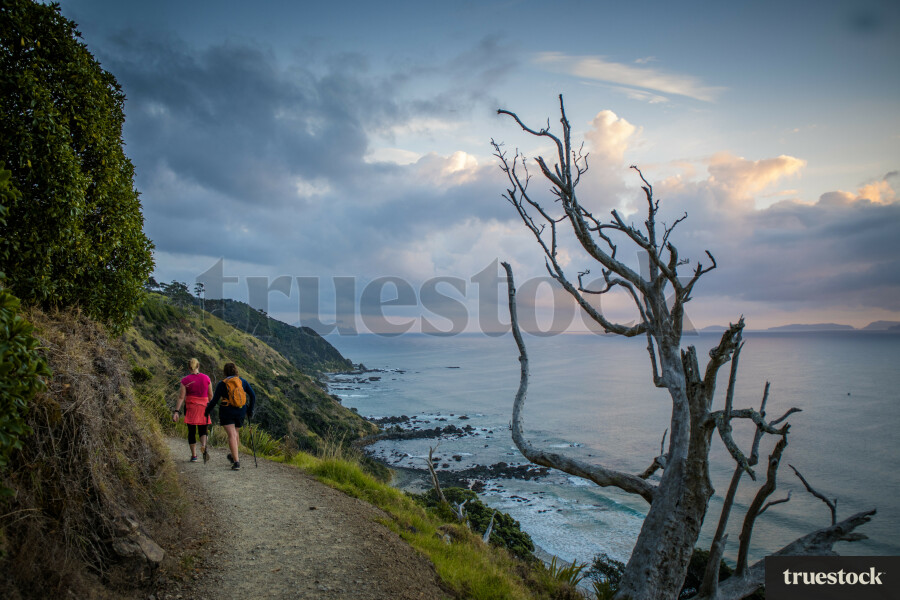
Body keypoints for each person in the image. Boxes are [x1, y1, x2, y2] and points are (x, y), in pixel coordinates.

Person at [205, 362, 256, 470]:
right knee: (235, 433)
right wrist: (250, 410)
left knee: (231, 435)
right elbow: (253, 395)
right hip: (241, 410)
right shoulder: (242, 381)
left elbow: (214, 400)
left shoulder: (222, 383)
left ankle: (236, 462)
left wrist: (207, 411)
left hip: (227, 410)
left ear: (225, 372)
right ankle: (233, 456)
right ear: (236, 370)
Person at [172, 358, 213, 463]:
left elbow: (181, 397)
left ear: (188, 367)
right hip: (204, 406)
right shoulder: (206, 378)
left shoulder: (185, 380)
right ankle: (203, 446)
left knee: (191, 431)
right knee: (203, 430)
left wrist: (176, 411)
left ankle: (194, 456)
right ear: (198, 366)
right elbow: (210, 395)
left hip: (191, 407)